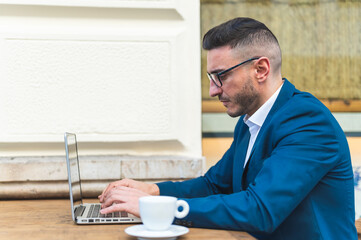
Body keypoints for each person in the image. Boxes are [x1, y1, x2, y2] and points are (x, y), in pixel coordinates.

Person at [98, 17, 357, 239]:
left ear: (261, 69)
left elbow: (260, 209)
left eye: (221, 76)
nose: (213, 90)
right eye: (211, 78)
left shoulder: (308, 122)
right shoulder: (251, 120)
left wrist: (161, 209)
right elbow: (213, 185)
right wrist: (152, 191)